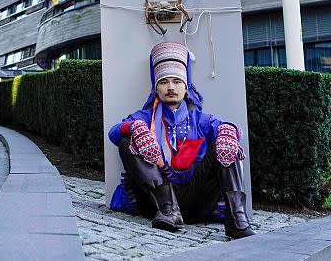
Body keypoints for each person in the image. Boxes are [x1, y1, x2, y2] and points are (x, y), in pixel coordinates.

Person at [108, 42, 254, 239]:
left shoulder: (200, 120)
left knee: (227, 139)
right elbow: (113, 133)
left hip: (196, 201)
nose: (170, 87)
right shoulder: (145, 117)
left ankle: (236, 218)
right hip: (156, 206)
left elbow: (235, 131)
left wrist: (230, 131)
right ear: (156, 88)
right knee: (127, 140)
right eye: (164, 82)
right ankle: (169, 209)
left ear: (186, 88)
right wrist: (134, 128)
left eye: (176, 82)